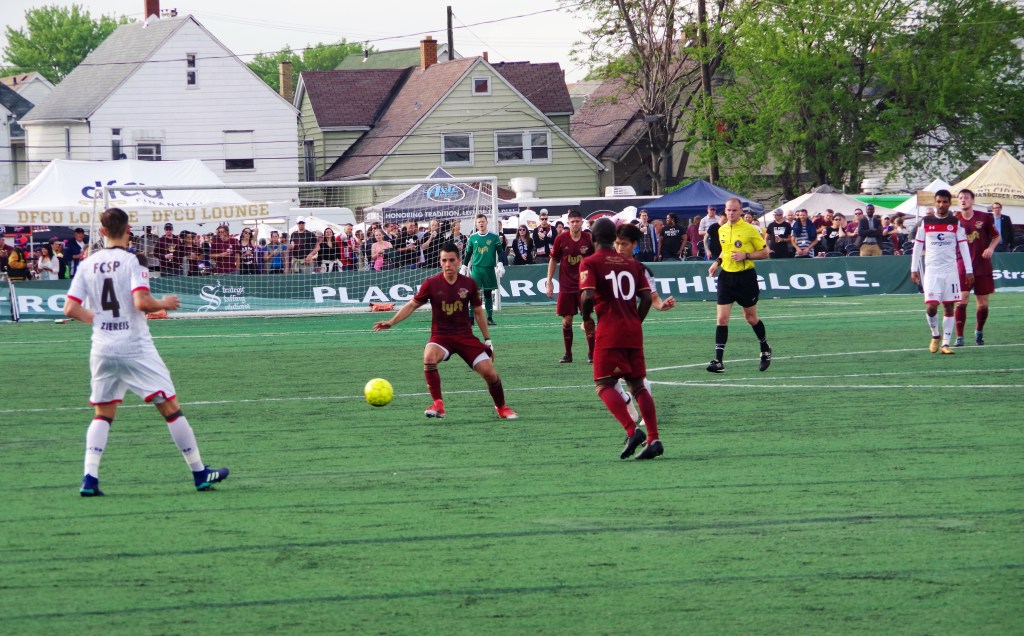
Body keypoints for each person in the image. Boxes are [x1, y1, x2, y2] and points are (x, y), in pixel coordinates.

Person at [63, 207, 228, 496]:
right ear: (128, 230)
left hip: (102, 348)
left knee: (103, 413)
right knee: (170, 408)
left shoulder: (88, 264)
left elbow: (70, 308)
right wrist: (163, 302)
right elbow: (141, 302)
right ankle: (200, 473)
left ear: (102, 232)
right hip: (134, 346)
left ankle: (89, 478)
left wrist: (98, 320)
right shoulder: (134, 260)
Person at [373, 242, 517, 420]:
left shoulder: (469, 284)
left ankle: (501, 408)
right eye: (444, 260)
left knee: (490, 373)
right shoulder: (431, 284)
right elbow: (411, 305)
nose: (447, 264)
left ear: (458, 261)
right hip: (441, 337)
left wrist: (488, 340)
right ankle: (438, 404)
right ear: (440, 262)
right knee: (429, 357)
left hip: (465, 336)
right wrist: (391, 322)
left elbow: (478, 312)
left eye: (451, 260)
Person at [580, 218, 662, 460]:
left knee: (603, 385)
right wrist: (635, 320)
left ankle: (631, 431)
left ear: (593, 238)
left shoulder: (591, 262)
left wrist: (587, 318)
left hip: (610, 330)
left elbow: (587, 295)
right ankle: (654, 438)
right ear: (612, 238)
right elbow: (646, 298)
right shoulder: (632, 264)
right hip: (633, 330)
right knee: (638, 385)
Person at [707, 197, 772, 373]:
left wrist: (746, 255)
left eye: (734, 210)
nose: (731, 213)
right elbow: (725, 251)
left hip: (745, 278)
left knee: (750, 318)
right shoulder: (722, 229)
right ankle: (718, 361)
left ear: (741, 211)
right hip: (726, 277)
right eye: (728, 210)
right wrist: (717, 262)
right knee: (721, 319)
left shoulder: (750, 229)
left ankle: (765, 348)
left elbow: (765, 253)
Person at [910, 189, 974, 355]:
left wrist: (969, 270)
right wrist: (913, 268)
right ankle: (935, 334)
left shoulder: (955, 222)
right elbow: (918, 245)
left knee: (948, 307)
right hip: (932, 270)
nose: (941, 205)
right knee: (931, 307)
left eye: (945, 202)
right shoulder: (926, 221)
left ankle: (945, 344)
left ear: (949, 203)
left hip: (950, 270)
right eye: (938, 201)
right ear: (935, 202)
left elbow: (964, 247)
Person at [546, 210, 595, 363]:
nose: (575, 224)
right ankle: (568, 354)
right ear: (568, 223)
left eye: (577, 221)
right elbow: (553, 259)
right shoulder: (561, 239)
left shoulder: (588, 239)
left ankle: (592, 354)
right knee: (567, 321)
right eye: (572, 222)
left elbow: (595, 260)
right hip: (566, 286)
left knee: (588, 319)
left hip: (585, 286)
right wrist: (549, 281)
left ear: (582, 222)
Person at [954, 188, 1000, 346]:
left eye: (966, 197)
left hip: (982, 264)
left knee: (983, 303)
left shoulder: (984, 217)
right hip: (962, 265)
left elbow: (996, 236)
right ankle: (959, 337)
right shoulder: (954, 219)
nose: (963, 200)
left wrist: (991, 248)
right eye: (960, 198)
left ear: (972, 200)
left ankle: (979, 331)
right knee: (962, 299)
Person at [466, 214, 503, 325]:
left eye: (483, 221)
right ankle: (470, 318)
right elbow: (468, 253)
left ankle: (489, 318)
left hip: (489, 269)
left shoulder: (494, 237)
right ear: (476, 224)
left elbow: (500, 251)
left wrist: (500, 263)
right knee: (474, 294)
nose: (481, 223)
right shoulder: (472, 237)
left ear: (487, 222)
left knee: (488, 293)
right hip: (476, 269)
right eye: (479, 222)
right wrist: (464, 266)